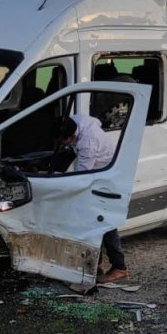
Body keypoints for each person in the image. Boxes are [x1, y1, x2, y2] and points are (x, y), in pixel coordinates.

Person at [58, 113, 127, 283]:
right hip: (100, 173)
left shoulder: (87, 143)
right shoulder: (78, 120)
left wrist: (58, 180)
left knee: (104, 222)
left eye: (64, 141)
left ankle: (119, 267)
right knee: (93, 222)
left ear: (72, 136)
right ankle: (97, 264)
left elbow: (82, 177)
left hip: (104, 177)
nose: (63, 145)